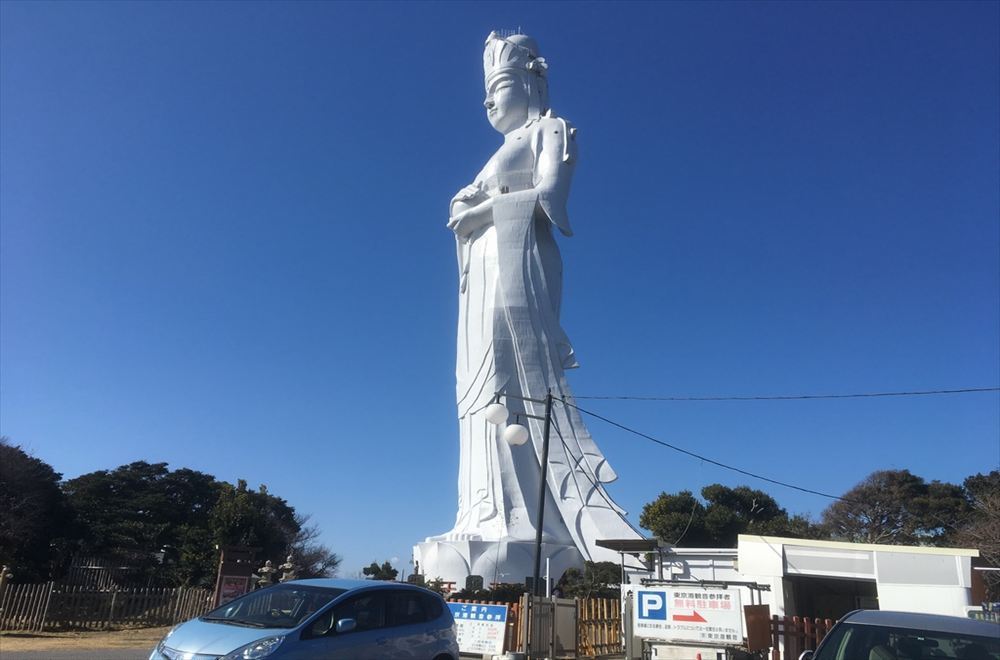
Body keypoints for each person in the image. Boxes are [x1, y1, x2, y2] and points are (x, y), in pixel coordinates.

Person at [435, 32, 640, 562]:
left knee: (513, 384)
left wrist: (481, 210)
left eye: (499, 86)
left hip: (519, 263)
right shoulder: (496, 152)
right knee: (478, 393)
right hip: (479, 274)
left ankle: (526, 517)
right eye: (484, 93)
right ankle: (481, 510)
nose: (488, 102)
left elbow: (549, 197)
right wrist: (465, 208)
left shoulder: (552, 129)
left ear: (532, 79)